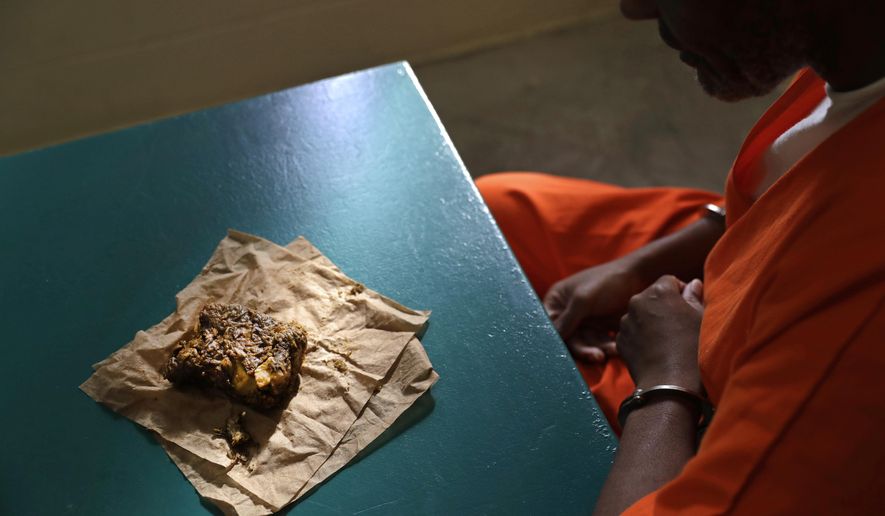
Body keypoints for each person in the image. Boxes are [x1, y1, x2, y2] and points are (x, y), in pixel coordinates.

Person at [476, 0, 885, 513]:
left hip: (709, 387)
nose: (634, 9)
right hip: (751, 246)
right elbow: (794, 167)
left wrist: (668, 380)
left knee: (507, 398)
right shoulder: (853, 52)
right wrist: (642, 265)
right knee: (494, 213)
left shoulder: (858, 311)